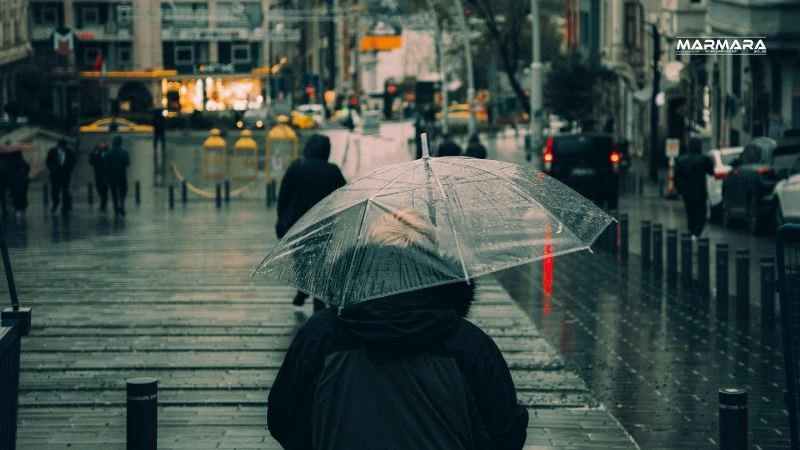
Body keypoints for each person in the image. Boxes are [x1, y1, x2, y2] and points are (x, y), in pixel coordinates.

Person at [267, 208, 529, 450]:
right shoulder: (468, 344)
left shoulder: (321, 335)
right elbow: (505, 432)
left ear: (367, 256)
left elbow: (284, 419)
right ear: (432, 262)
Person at [277, 134, 346, 312]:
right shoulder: (332, 170)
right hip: (323, 224)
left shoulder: (297, 166)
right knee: (320, 261)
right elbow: (344, 195)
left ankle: (303, 287)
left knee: (300, 258)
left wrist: (280, 219)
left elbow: (284, 195)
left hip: (298, 222)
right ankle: (317, 299)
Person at [675, 137, 714, 238]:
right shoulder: (703, 159)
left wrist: (681, 190)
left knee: (690, 216)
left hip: (687, 193)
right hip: (700, 193)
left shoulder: (681, 160)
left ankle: (691, 236)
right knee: (701, 217)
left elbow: (676, 178)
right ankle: (695, 236)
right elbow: (711, 172)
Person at [45, 138, 76, 215]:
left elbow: (73, 162)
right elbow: (48, 162)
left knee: (65, 191)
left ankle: (65, 207)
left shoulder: (69, 152)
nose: (63, 147)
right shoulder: (52, 152)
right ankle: (55, 203)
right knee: (55, 192)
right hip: (55, 176)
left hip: (65, 175)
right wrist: (51, 170)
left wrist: (69, 170)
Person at [104, 134, 130, 217]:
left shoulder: (109, 152)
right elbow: (127, 163)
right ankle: (122, 206)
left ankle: (115, 208)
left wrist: (105, 175)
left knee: (114, 192)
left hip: (112, 176)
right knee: (123, 191)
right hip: (122, 174)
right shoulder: (124, 151)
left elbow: (106, 165)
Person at [6, 151, 30, 218]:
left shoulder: (10, 162)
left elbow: (8, 173)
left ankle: (17, 210)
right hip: (21, 181)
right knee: (22, 195)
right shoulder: (21, 161)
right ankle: (23, 207)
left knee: (15, 196)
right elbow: (28, 167)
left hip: (14, 182)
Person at [89, 140, 109, 211]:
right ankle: (103, 198)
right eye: (101, 144)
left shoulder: (108, 152)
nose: (102, 145)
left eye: (103, 144)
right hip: (98, 173)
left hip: (106, 173)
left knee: (105, 188)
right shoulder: (95, 151)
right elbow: (91, 161)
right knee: (98, 187)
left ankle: (104, 200)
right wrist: (95, 155)